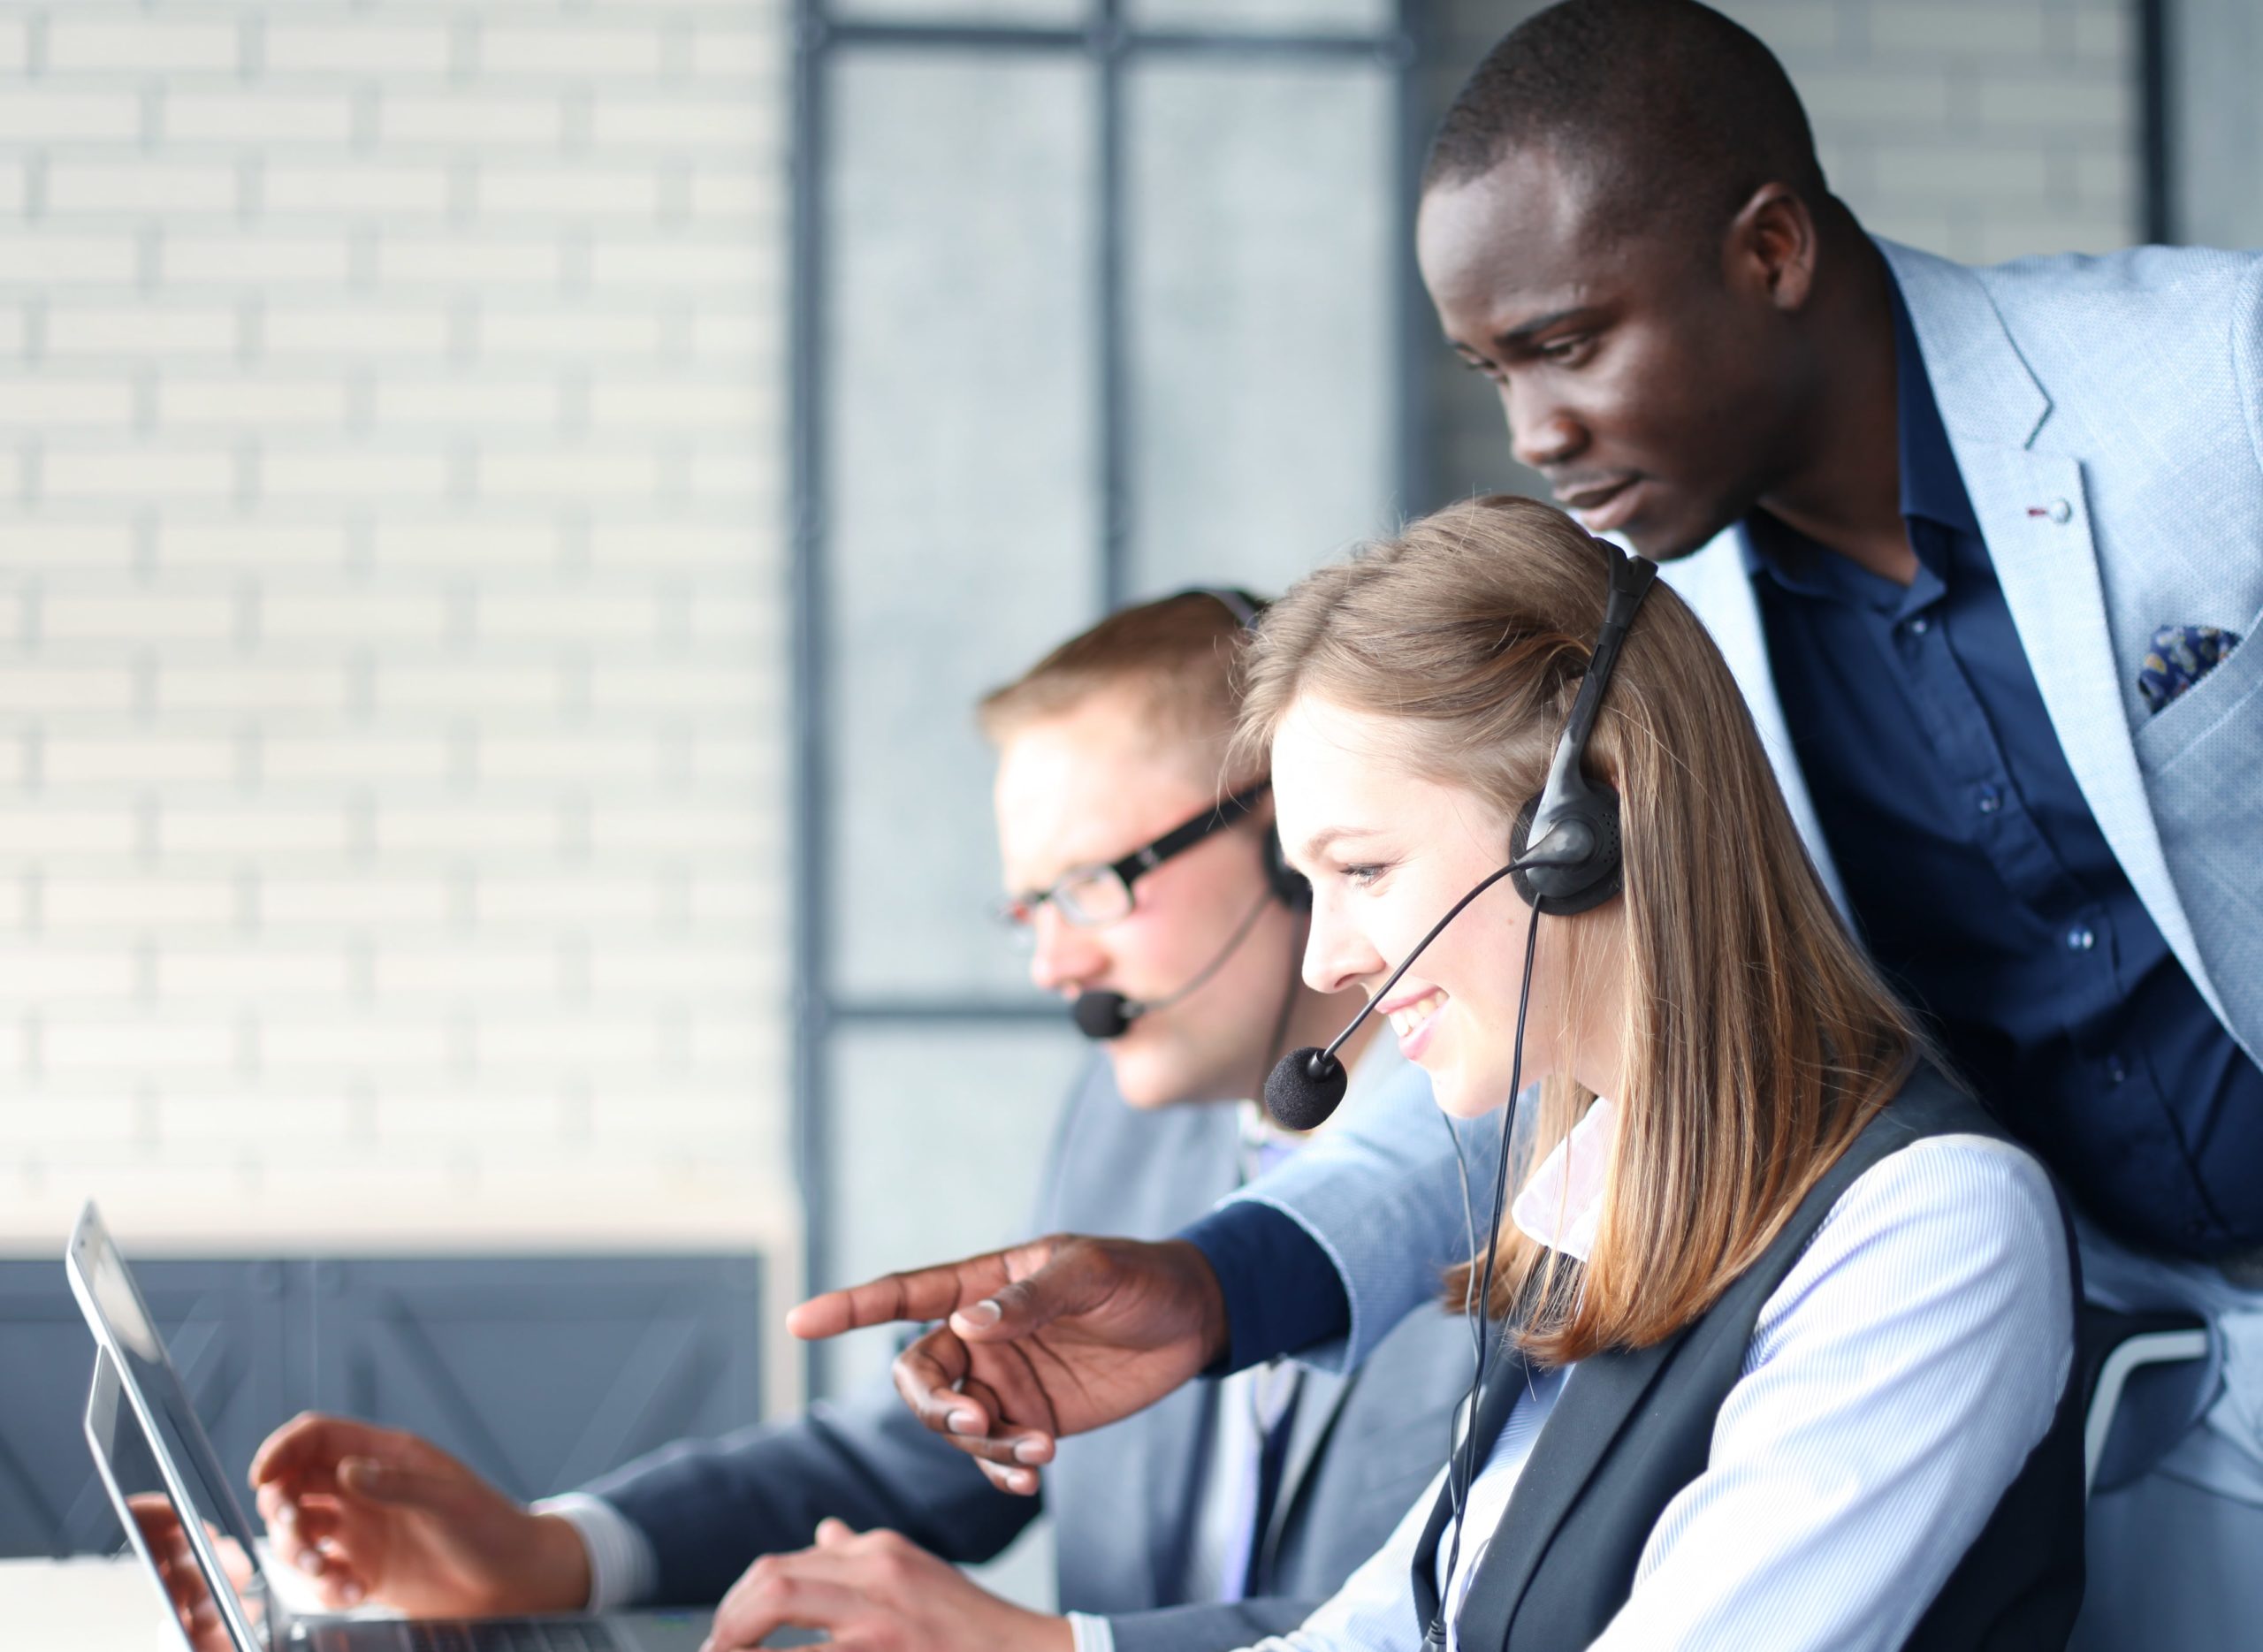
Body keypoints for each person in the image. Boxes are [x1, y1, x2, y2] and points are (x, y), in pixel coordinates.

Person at [790, 4, 2262, 1645]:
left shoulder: (2213, 387)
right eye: (1495, 371)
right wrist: (1219, 1287)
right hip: (2109, 1364)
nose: (1532, 434)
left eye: (1568, 342)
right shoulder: (1650, 620)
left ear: (1771, 248)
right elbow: (1530, 993)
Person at [796, 496, 2083, 1651]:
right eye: (1310, 885)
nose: (1332, 955)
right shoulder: (1588, 1191)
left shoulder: (1930, 1224)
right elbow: (1400, 1627)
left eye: (1363, 870)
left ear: (1580, 829)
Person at [244, 591, 1471, 1652]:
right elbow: (921, 1458)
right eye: (1028, 907)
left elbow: (1497, 1616)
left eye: (1091, 885)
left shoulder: (1526, 1169)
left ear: (1286, 843)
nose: (1053, 962)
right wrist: (552, 1550)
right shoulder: (1128, 1124)